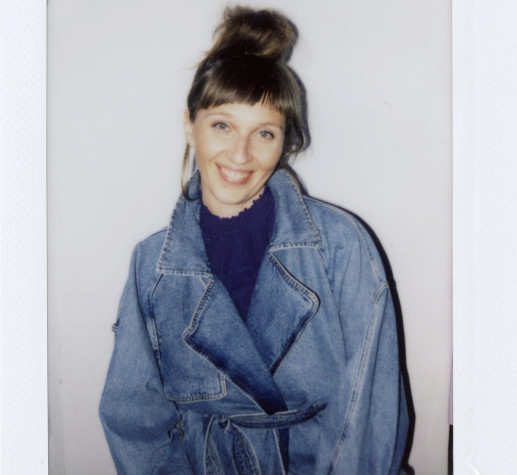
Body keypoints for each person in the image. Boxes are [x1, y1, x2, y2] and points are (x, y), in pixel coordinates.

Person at [99, 6, 409, 474]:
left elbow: (369, 416)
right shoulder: (151, 264)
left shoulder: (342, 246)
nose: (240, 154)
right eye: (222, 125)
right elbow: (135, 420)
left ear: (284, 142)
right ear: (190, 125)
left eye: (264, 133)